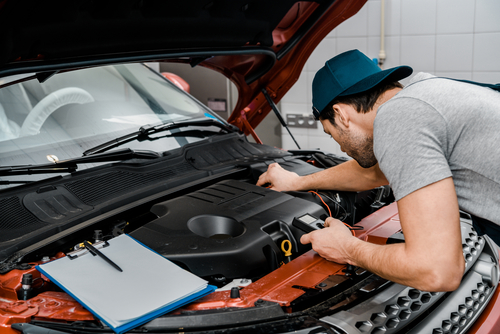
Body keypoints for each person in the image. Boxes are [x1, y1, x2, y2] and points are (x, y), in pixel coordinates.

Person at [257, 49, 500, 292]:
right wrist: (297, 182)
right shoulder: (423, 94)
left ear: (341, 115)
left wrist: (347, 248)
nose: (340, 146)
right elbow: (374, 173)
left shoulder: (399, 119)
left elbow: (437, 271)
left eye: (331, 133)